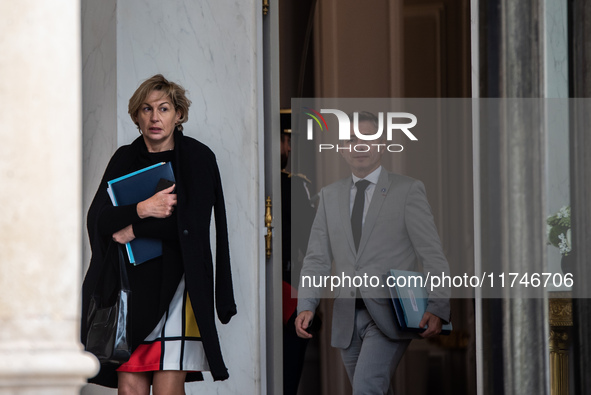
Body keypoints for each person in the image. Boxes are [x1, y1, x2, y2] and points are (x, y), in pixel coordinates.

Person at [81, 74, 236, 394]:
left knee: (167, 387)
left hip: (179, 286)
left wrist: (135, 227)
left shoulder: (198, 157)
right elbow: (98, 219)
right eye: (147, 109)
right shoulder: (124, 157)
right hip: (132, 290)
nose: (155, 117)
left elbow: (191, 225)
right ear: (136, 116)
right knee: (129, 387)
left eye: (164, 108)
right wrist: (142, 208)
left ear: (179, 114)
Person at [295, 111, 450, 394]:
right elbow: (317, 258)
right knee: (374, 389)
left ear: (382, 144)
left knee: (367, 389)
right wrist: (306, 304)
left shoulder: (408, 190)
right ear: (342, 149)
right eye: (352, 140)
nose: (360, 146)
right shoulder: (329, 196)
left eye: (368, 138)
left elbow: (432, 254)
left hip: (391, 314)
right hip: (346, 317)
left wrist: (437, 306)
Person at [279, 109, 316, 395]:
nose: (289, 147)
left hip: (290, 297)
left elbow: (314, 249)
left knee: (287, 381)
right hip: (268, 295)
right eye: (284, 139)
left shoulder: (296, 185)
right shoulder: (292, 186)